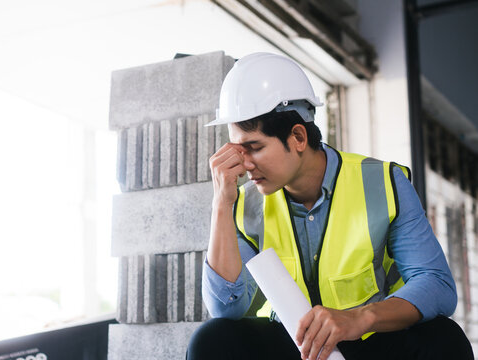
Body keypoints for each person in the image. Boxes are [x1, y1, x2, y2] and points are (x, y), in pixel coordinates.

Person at [186, 52, 473, 360]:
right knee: (212, 341)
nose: (244, 164)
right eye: (236, 149)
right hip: (294, 345)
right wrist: (221, 205)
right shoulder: (243, 205)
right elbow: (226, 308)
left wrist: (359, 318)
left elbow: (437, 285)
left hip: (370, 340)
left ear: (297, 136)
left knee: (444, 339)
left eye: (254, 147)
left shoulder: (382, 183)